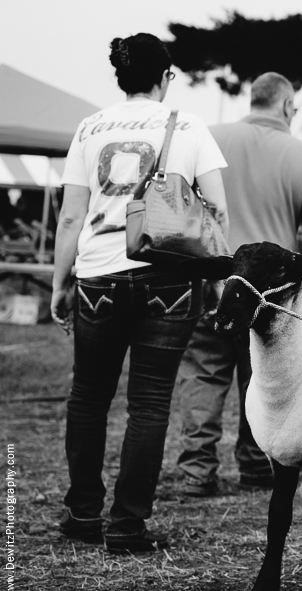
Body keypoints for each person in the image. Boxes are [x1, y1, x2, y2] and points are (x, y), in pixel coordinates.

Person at [51, 33, 228, 553]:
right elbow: (217, 211)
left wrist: (61, 283)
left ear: (121, 78)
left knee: (87, 398)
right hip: (168, 280)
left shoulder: (89, 127)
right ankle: (127, 525)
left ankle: (82, 513)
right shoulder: (191, 126)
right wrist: (216, 279)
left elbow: (69, 216)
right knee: (149, 405)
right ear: (165, 75)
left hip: (98, 277)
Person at [174, 72, 302, 497]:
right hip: (271, 299)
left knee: (204, 373)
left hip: (212, 280)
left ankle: (196, 470)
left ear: (253, 99)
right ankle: (256, 463)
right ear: (286, 106)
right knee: (261, 380)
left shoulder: (208, 138)